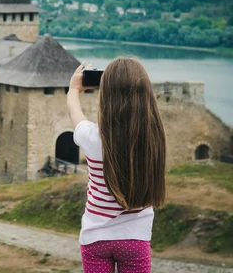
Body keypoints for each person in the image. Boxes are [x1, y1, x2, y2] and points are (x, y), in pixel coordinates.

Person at [67, 57, 166, 273]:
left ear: (105, 96)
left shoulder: (93, 138)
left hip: (95, 238)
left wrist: (74, 89)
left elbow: (75, 113)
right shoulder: (153, 138)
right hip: (135, 238)